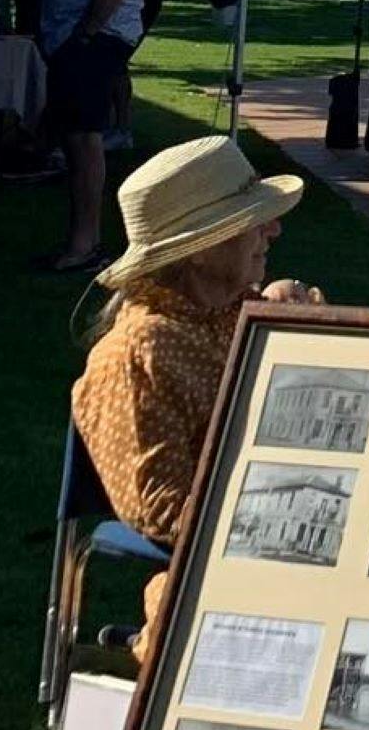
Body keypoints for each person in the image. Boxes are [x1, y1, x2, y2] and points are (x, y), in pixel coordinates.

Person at [72, 135, 323, 657]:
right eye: (255, 221)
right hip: (237, 561)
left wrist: (305, 329)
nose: (273, 230)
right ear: (201, 249)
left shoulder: (233, 311)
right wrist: (299, 524)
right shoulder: (134, 356)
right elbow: (163, 514)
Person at [36, 0, 145, 273]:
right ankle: (79, 239)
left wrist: (87, 31)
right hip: (67, 35)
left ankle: (87, 244)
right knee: (73, 137)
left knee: (85, 138)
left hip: (95, 36)